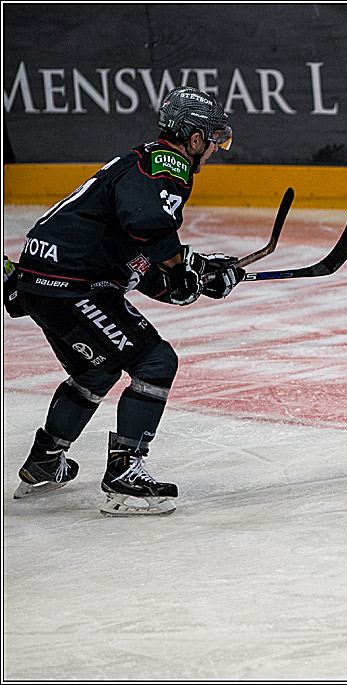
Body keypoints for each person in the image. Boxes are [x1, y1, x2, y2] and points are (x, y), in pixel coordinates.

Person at [5, 86, 245, 516]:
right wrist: (186, 263)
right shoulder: (167, 164)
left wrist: (186, 279)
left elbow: (130, 252)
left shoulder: (140, 165)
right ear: (193, 138)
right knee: (155, 362)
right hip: (71, 284)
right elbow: (147, 227)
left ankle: (43, 462)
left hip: (43, 280)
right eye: (212, 139)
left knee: (95, 370)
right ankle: (124, 475)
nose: (212, 150)